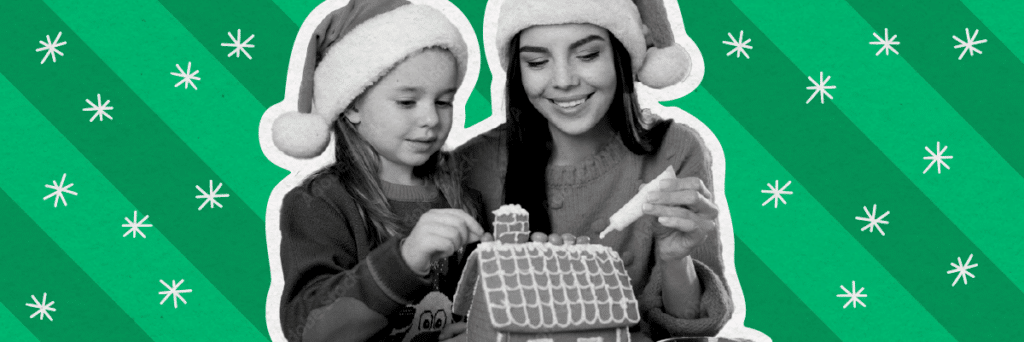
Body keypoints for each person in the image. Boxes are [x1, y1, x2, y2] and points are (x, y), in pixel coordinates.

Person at [454, 0, 733, 340]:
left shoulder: (675, 152)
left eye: (587, 55)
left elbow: (691, 329)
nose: (564, 81)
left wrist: (676, 260)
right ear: (517, 70)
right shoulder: (472, 165)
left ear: (622, 56)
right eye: (537, 61)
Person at [269, 0, 483, 341]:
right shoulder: (320, 204)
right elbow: (309, 330)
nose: (431, 119)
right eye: (407, 102)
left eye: (444, 101)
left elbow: (472, 305)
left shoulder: (459, 195)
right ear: (352, 104)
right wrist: (407, 258)